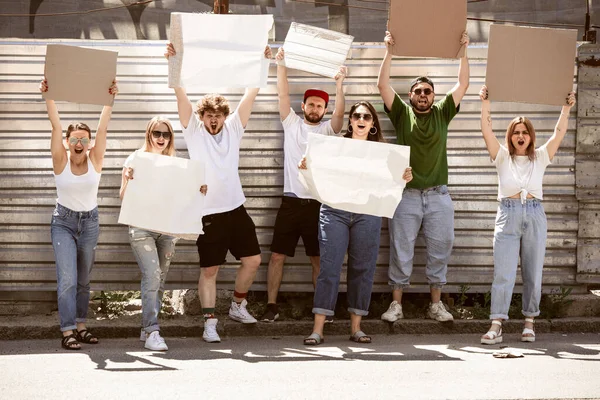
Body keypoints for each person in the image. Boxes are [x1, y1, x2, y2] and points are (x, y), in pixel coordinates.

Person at [165, 43, 271, 343]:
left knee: (252, 260)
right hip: (208, 213)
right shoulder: (194, 131)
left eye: (218, 115)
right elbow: (179, 92)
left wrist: (263, 62)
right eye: (208, 115)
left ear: (225, 116)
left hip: (236, 209)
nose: (213, 119)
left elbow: (252, 91)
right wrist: (174, 61)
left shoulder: (234, 128)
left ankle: (238, 305)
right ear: (202, 117)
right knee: (209, 269)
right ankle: (209, 321)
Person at [377, 30, 470, 322]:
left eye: (427, 91)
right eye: (417, 91)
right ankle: (396, 305)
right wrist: (388, 51)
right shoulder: (403, 115)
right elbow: (382, 85)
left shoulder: (443, 112)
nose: (422, 95)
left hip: (439, 195)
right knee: (401, 251)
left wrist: (464, 49)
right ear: (410, 96)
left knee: (440, 250)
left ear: (434, 96)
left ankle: (435, 305)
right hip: (407, 196)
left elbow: (463, 83)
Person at [302, 101, 413, 345]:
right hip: (335, 211)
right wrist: (306, 168)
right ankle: (318, 330)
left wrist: (404, 177)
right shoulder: (334, 147)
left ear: (373, 124)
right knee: (329, 269)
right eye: (356, 116)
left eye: (366, 116)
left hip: (367, 213)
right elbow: (315, 171)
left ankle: (356, 328)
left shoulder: (383, 153)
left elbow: (392, 183)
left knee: (362, 269)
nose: (361, 120)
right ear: (350, 120)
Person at [479, 86, 576, 344]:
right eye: (515, 133)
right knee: (504, 272)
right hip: (508, 215)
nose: (520, 136)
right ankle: (497, 323)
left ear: (531, 137)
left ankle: (529, 322)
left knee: (533, 271)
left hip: (534, 215)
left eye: (524, 132)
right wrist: (485, 103)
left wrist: (566, 108)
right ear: (510, 137)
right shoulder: (500, 157)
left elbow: (559, 132)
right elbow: (486, 130)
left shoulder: (541, 156)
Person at [260, 47, 346, 322]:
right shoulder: (292, 124)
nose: (314, 108)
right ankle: (271, 306)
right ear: (304, 106)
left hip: (317, 204)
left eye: (320, 105)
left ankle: (322, 308)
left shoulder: (327, 131)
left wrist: (340, 84)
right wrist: (280, 64)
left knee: (317, 260)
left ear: (324, 109)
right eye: (311, 104)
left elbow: (340, 117)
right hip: (290, 201)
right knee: (276, 256)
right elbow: (282, 94)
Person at [40, 78, 118, 350]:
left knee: (84, 279)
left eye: (84, 139)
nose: (79, 142)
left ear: (89, 142)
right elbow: (56, 125)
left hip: (90, 223)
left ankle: (81, 324)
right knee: (68, 278)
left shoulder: (96, 159)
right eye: (74, 139)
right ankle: (67, 329)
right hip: (63, 221)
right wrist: (48, 95)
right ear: (67, 141)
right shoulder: (60, 159)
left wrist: (109, 98)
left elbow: (103, 127)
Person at [119, 116, 207, 351]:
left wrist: (198, 190)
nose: (161, 138)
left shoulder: (176, 164)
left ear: (170, 137)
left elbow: (182, 199)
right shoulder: (136, 158)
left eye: (165, 134)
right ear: (149, 134)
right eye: (156, 133)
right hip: (141, 228)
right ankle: (152, 331)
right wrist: (127, 180)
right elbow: (123, 196)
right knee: (152, 276)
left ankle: (146, 327)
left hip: (167, 230)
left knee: (159, 280)